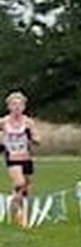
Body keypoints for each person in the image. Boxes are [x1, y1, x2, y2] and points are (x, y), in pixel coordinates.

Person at [3, 91, 39, 224]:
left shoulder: (28, 122)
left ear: (24, 107)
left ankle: (21, 213)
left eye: (20, 104)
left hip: (26, 157)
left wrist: (33, 138)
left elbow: (37, 139)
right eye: (14, 104)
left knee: (26, 189)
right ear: (9, 107)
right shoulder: (3, 122)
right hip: (12, 157)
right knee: (20, 183)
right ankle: (13, 202)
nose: (17, 107)